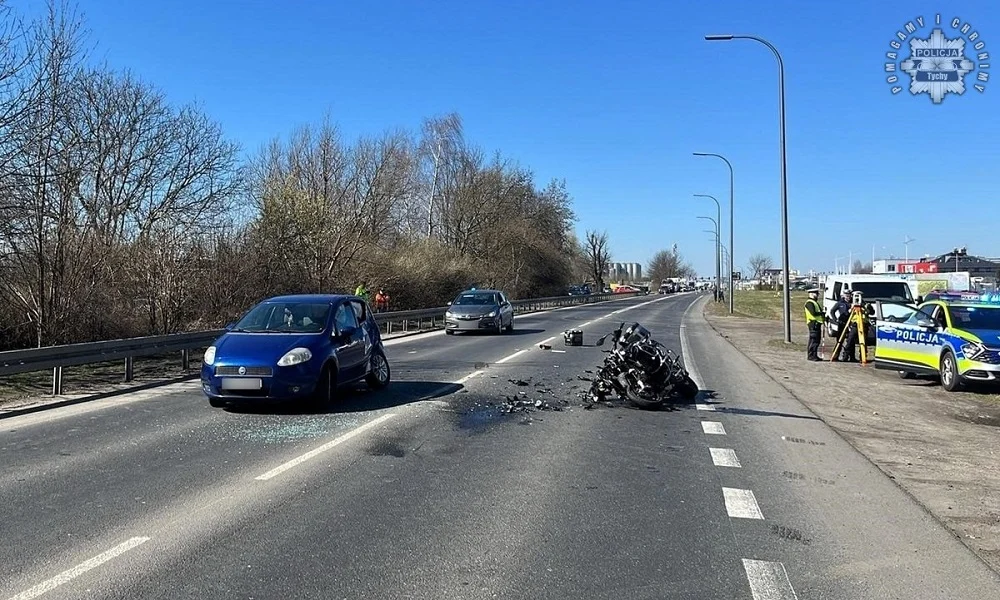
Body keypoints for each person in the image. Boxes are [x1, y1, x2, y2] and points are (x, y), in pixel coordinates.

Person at [828, 289, 852, 361]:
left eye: (849, 295)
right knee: (839, 341)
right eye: (846, 295)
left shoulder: (853, 303)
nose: (848, 297)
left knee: (851, 341)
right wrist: (835, 319)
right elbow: (832, 311)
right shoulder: (840, 303)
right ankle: (835, 356)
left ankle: (850, 357)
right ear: (844, 295)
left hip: (851, 323)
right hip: (842, 323)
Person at [804, 288, 825, 361]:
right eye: (816, 294)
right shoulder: (809, 303)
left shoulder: (814, 302)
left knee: (816, 341)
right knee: (814, 341)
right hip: (813, 324)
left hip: (817, 324)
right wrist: (822, 313)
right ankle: (811, 356)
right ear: (812, 294)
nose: (817, 295)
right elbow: (813, 313)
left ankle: (814, 355)